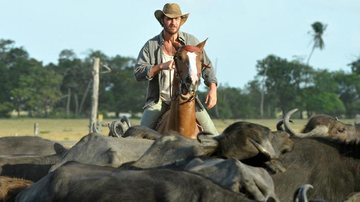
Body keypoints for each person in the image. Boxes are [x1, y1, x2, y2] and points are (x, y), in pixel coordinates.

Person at [134, 3, 219, 136]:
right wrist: (160, 66)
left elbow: (207, 66)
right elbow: (138, 72)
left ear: (181, 21)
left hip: (187, 99)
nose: (173, 23)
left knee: (214, 136)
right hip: (159, 102)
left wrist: (213, 89)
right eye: (169, 19)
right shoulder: (151, 45)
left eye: (176, 19)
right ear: (163, 21)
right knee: (138, 137)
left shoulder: (191, 41)